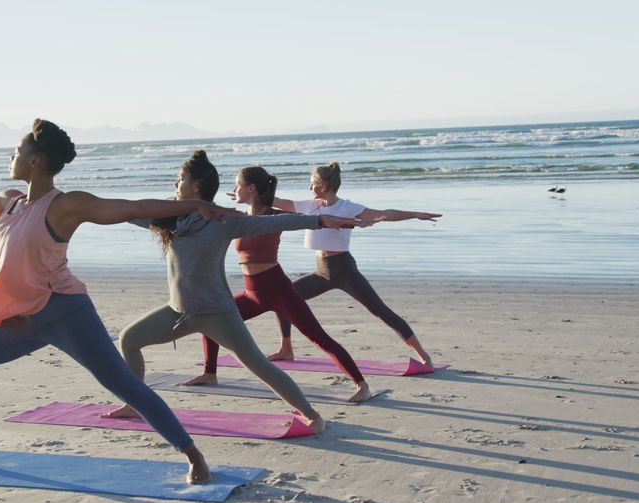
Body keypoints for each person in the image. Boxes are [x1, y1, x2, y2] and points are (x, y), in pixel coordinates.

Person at [0, 119, 234, 484]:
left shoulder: (64, 205)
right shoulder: (9, 202)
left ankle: (192, 455)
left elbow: (130, 207)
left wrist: (192, 204)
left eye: (17, 151)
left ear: (34, 161)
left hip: (65, 313)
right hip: (23, 317)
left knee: (124, 384)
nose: (12, 157)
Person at [101, 151, 364, 431]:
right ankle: (135, 403)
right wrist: (80, 209)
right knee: (129, 339)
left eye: (180, 180)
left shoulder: (222, 220)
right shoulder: (169, 219)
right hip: (179, 311)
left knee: (258, 364)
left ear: (196, 187)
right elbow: (129, 210)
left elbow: (274, 222)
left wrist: (319, 220)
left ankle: (312, 416)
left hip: (217, 313)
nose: (175, 184)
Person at [188, 166, 374, 402]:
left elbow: (314, 220)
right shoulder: (238, 219)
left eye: (237, 185)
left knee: (319, 338)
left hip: (278, 290)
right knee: (211, 322)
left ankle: (362, 384)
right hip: (252, 293)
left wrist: (352, 222)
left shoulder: (274, 216)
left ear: (251, 188)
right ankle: (209, 373)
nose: (234, 189)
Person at [270, 162, 441, 369]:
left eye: (312, 183)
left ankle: (424, 357)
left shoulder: (347, 207)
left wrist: (414, 214)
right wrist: (248, 194)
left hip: (343, 270)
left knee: (380, 311)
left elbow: (385, 213)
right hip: (322, 271)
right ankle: (286, 349)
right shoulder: (309, 205)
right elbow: (276, 202)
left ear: (324, 185)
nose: (309, 188)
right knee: (283, 298)